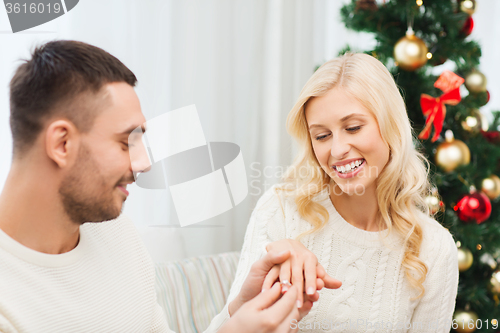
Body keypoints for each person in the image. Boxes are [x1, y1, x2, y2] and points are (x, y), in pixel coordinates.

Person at [0, 40, 341, 333]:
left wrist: (239, 308)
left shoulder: (117, 233)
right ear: (62, 144)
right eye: (125, 142)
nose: (144, 163)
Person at [211, 53, 459, 332]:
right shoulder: (280, 210)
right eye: (322, 136)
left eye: (353, 128)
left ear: (391, 128)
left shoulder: (434, 249)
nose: (338, 150)